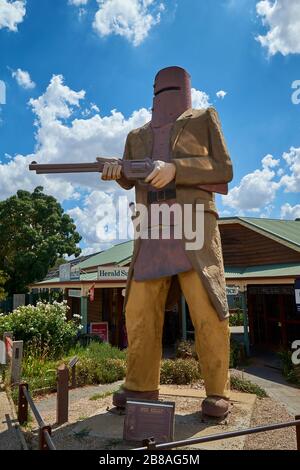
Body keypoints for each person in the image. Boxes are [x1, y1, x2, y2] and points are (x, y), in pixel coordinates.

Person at [101, 66, 233, 418]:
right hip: (151, 227)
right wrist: (118, 171)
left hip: (193, 225)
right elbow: (130, 178)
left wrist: (176, 169)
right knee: (139, 308)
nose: (165, 95)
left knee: (208, 307)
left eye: (171, 87)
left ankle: (217, 392)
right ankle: (140, 385)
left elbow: (223, 169)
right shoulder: (136, 135)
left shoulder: (204, 117)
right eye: (160, 89)